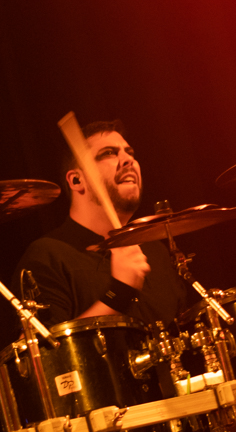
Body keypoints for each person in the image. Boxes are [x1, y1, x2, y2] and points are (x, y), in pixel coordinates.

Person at [13, 120, 188, 328]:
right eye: (109, 153)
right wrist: (118, 293)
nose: (128, 160)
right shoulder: (48, 256)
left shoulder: (156, 252)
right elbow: (42, 347)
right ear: (77, 181)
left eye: (130, 153)